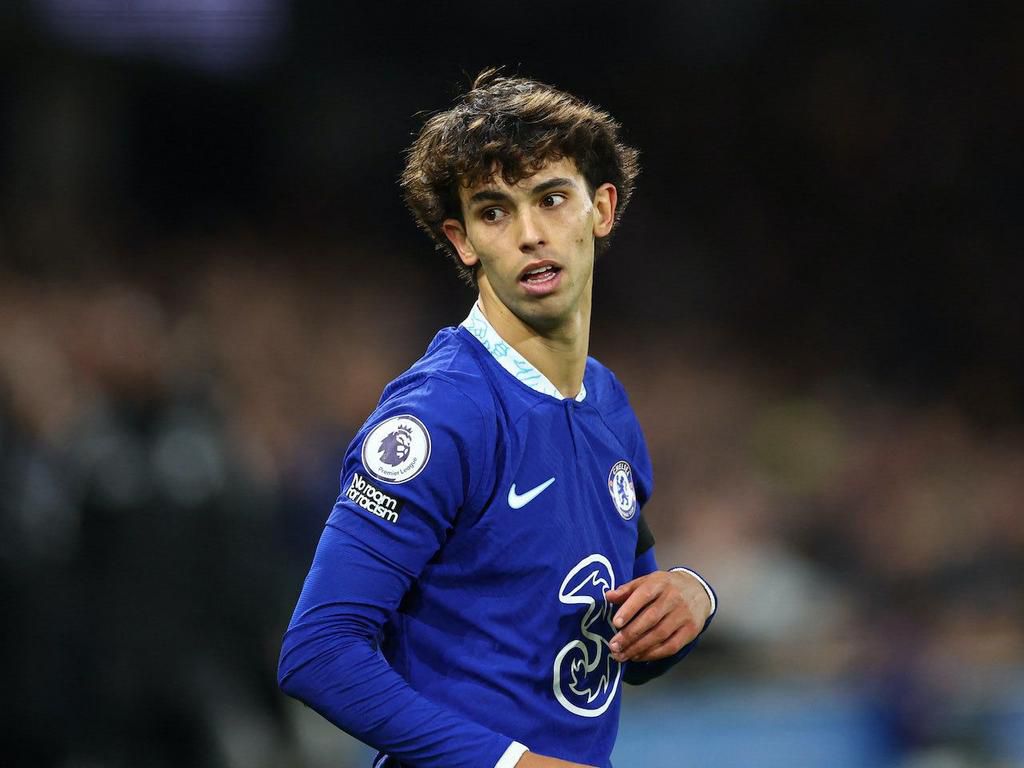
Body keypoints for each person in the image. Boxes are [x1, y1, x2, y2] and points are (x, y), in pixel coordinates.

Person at [278, 69, 717, 768]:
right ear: (462, 241)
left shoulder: (607, 405)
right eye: (494, 212)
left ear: (601, 209)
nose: (530, 234)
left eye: (551, 199)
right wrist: (513, 765)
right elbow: (318, 652)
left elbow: (624, 645)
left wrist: (694, 597)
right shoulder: (442, 415)